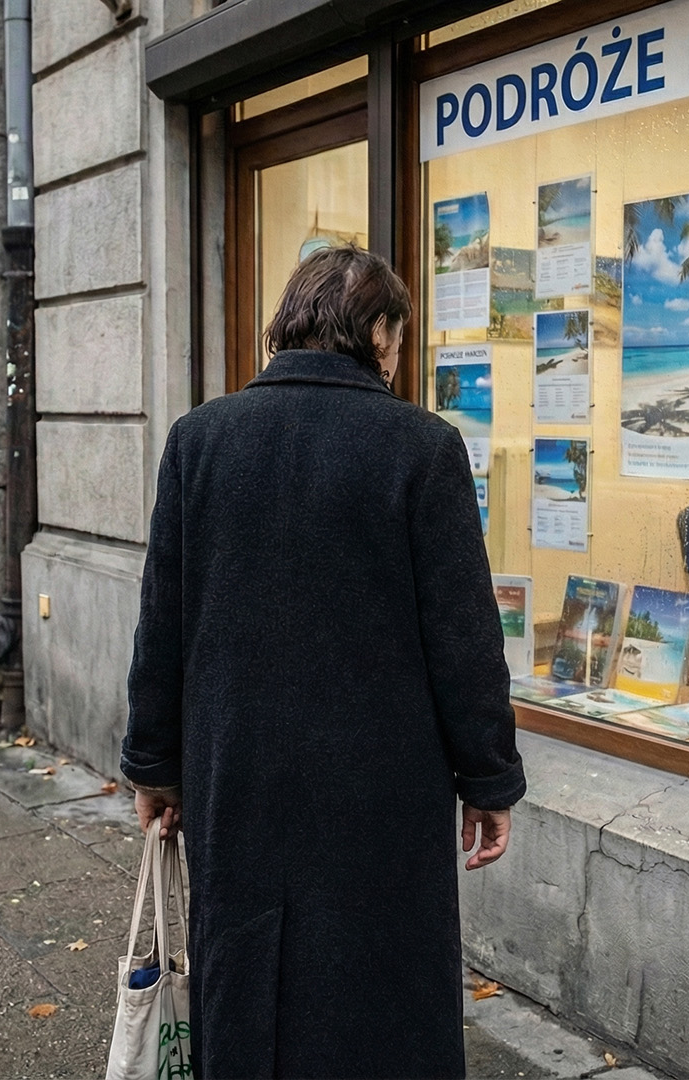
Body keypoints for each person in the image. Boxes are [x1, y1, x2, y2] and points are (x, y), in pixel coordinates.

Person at [121, 246, 525, 1079]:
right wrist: (487, 780)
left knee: (246, 976)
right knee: (381, 991)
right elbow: (464, 637)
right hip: (380, 791)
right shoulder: (423, 447)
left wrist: (155, 767)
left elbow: (161, 622)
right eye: (398, 338)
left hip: (239, 776)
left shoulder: (199, 440)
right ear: (378, 332)